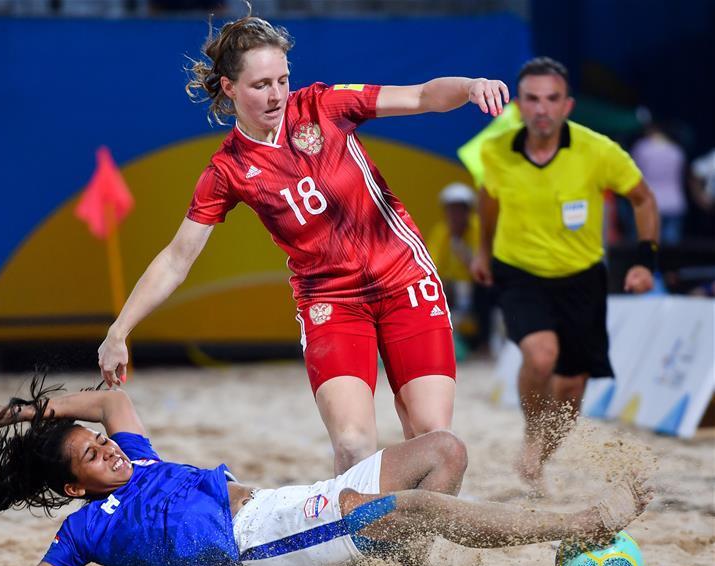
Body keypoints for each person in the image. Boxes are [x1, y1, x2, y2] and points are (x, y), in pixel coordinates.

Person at [96, 12, 511, 475]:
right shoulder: (227, 170)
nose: (276, 95)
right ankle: (367, 544)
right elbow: (177, 258)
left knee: (433, 436)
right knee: (354, 446)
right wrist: (119, 331)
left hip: (404, 278)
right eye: (260, 85)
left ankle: (412, 543)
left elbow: (420, 95)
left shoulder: (323, 106)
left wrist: (472, 84)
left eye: (282, 80)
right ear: (229, 88)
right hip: (331, 301)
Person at [0, 376, 652, 566]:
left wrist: (21, 413)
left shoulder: (135, 457)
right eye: (91, 455)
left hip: (294, 503)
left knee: (443, 450)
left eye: (99, 443)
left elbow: (111, 399)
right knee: (412, 511)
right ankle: (581, 524)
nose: (108, 449)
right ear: (75, 486)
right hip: (268, 546)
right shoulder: (82, 532)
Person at [470, 57, 660, 495]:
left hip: (581, 276)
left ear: (567, 105)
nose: (542, 109)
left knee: (573, 387)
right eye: (532, 99)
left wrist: (644, 262)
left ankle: (540, 457)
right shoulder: (495, 151)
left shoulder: (598, 151)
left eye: (552, 99)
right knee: (540, 356)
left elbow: (643, 199)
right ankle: (532, 435)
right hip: (519, 271)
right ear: (518, 106)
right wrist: (483, 251)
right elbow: (488, 199)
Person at [426, 182, 492, 352]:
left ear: (467, 211)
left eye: (459, 209)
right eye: (451, 209)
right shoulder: (441, 232)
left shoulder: (478, 228)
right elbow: (431, 267)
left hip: (475, 284)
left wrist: (460, 247)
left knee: (486, 292)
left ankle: (485, 343)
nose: (455, 215)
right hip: (452, 287)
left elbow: (482, 266)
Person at [630, 122, 687, 245]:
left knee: (649, 246)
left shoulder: (642, 148)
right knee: (672, 250)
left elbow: (633, 173)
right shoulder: (676, 150)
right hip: (674, 202)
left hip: (650, 202)